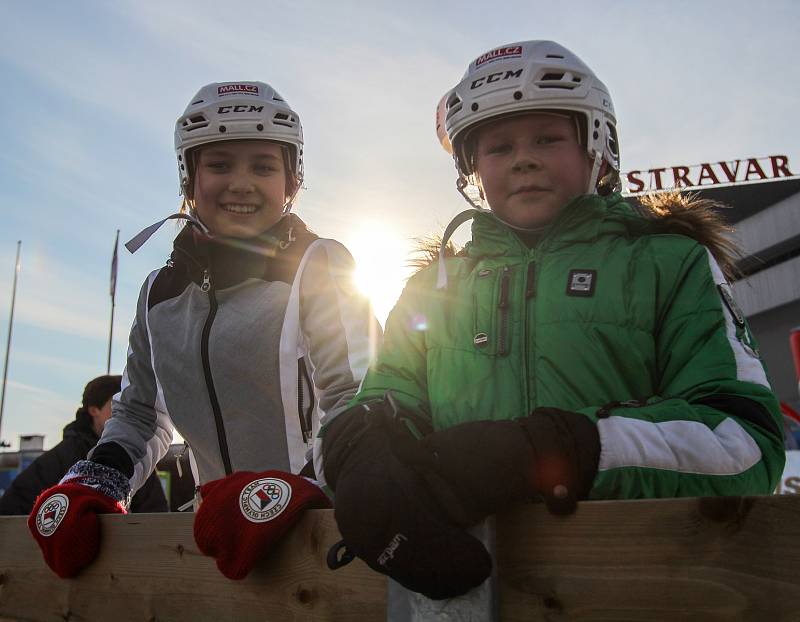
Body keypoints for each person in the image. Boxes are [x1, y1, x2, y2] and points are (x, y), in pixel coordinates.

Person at [317, 41, 786, 600]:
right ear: (472, 168)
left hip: (644, 586)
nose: (523, 159)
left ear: (598, 147)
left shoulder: (668, 263)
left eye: (548, 137)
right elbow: (384, 403)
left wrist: (558, 450)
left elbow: (743, 442)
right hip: (472, 597)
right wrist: (360, 451)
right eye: (497, 146)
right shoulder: (431, 290)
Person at [28, 81, 380, 580]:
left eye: (263, 166)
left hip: (320, 535)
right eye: (219, 165)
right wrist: (96, 481)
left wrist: (290, 495)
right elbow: (140, 415)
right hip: (215, 536)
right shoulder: (158, 292)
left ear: (291, 181)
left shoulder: (320, 263)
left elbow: (357, 397)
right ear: (189, 178)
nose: (241, 183)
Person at [0, 375, 167, 515]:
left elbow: (154, 508)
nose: (123, 411)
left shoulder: (136, 453)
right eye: (116, 403)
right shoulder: (63, 457)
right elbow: (16, 504)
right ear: (94, 410)